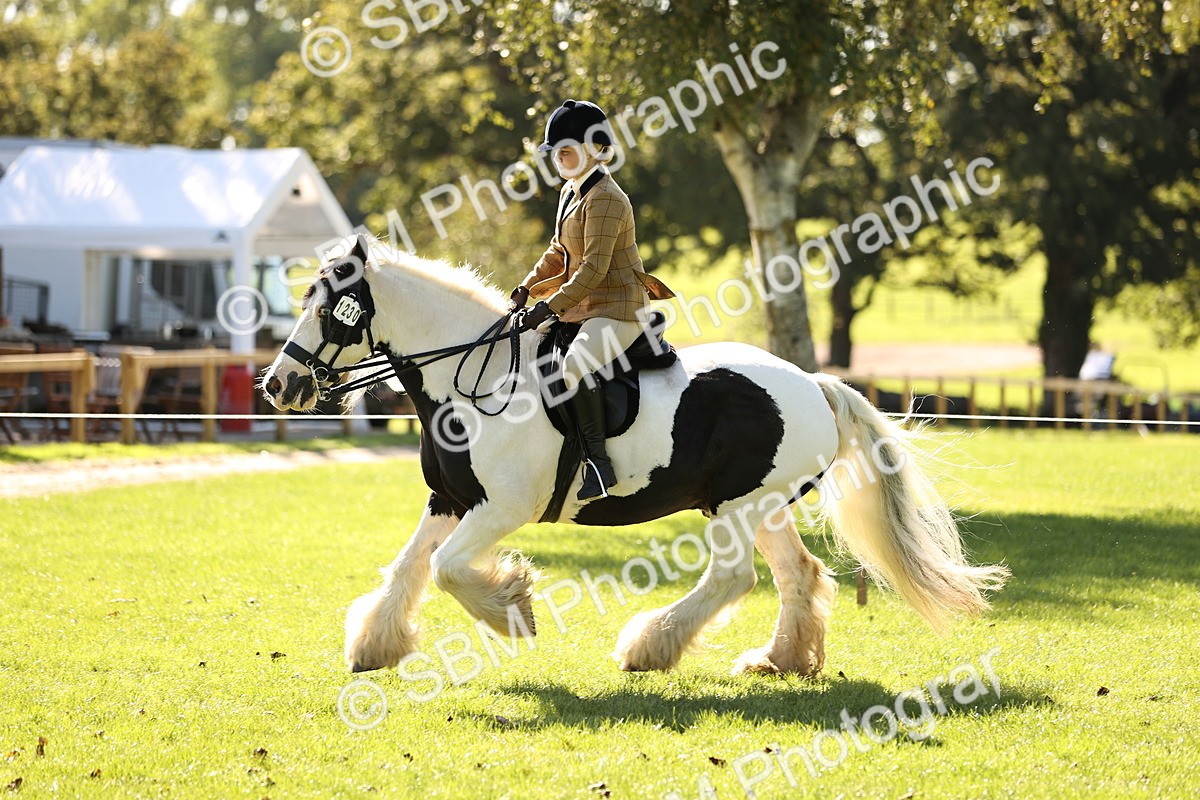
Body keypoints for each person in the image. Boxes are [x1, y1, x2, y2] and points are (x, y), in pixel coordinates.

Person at [511, 99, 674, 500]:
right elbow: (558, 251)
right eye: (557, 153)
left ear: (594, 148)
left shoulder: (606, 198)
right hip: (584, 306)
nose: (559, 160)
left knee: (574, 368)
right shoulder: (571, 191)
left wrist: (549, 307)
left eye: (566, 151)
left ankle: (600, 466)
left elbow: (593, 270)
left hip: (617, 307)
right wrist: (528, 287)